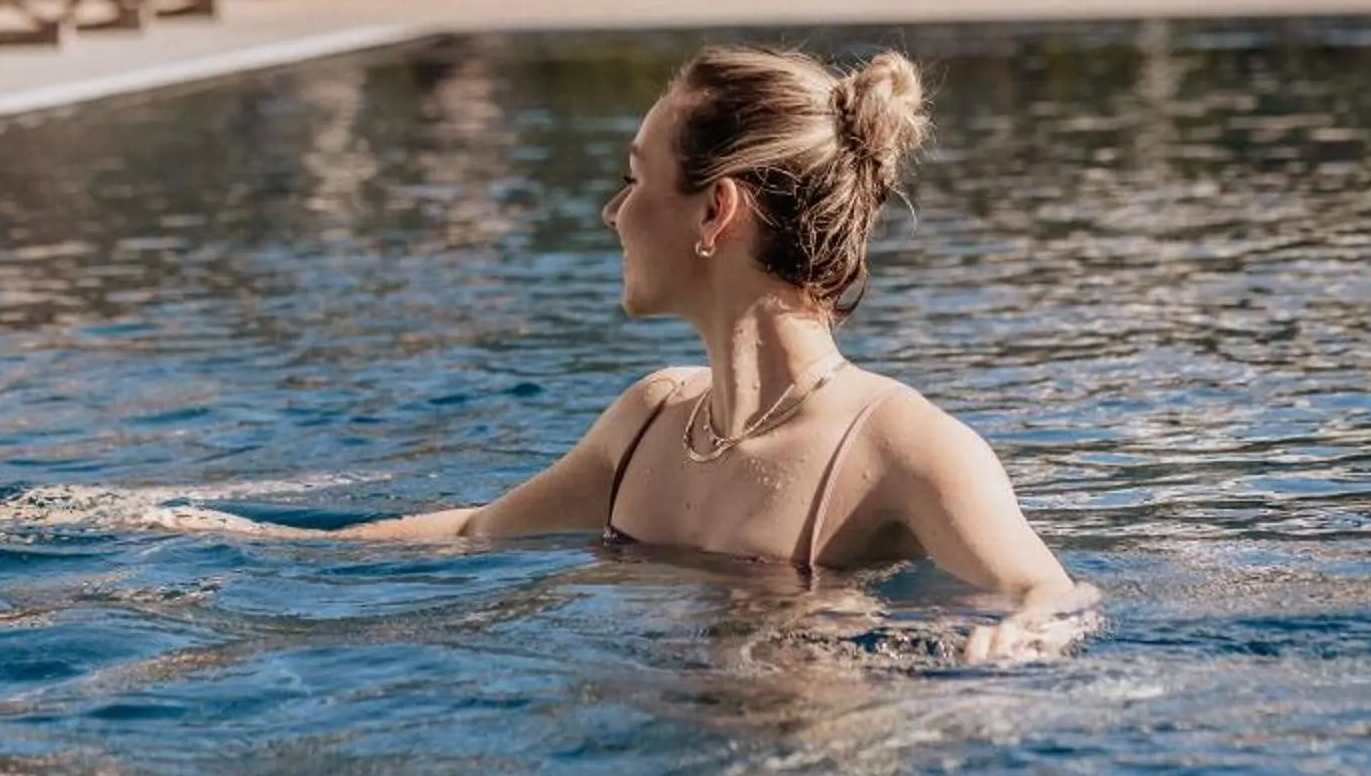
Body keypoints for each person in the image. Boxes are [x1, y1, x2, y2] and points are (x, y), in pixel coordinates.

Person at [341, 42, 1099, 663]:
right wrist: (241, 540)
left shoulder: (899, 445)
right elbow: (478, 532)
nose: (613, 212)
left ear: (715, 210)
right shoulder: (648, 421)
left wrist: (1023, 636)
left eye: (635, 178)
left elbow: (1051, 593)